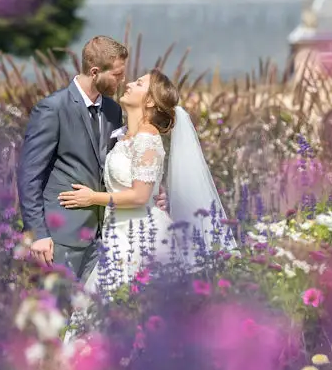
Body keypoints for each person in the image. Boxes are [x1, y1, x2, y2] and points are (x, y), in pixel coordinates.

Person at [56, 69, 235, 294]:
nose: (129, 83)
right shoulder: (124, 136)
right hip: (118, 233)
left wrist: (92, 198)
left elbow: (140, 196)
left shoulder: (147, 137)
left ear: (149, 100)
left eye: (139, 83)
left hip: (140, 238)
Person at [17, 36, 128, 281]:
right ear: (95, 71)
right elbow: (29, 175)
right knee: (55, 315)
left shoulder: (113, 111)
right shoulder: (52, 109)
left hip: (102, 237)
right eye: (117, 75)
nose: (122, 81)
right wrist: (38, 234)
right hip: (59, 238)